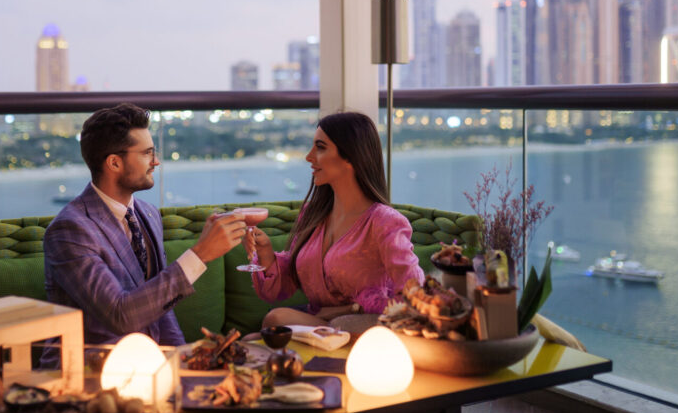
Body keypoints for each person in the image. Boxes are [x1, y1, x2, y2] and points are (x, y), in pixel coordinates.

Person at [44, 103, 247, 346]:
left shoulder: (148, 214)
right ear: (114, 163)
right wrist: (200, 254)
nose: (156, 162)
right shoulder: (70, 231)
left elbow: (160, 310)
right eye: (147, 153)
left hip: (150, 365)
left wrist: (180, 360)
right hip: (89, 369)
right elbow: (120, 316)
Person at [246, 110, 425, 328]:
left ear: (351, 155)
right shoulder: (314, 214)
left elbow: (415, 297)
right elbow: (285, 284)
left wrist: (353, 308)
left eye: (320, 147)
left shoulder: (385, 223)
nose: (309, 156)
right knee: (254, 339)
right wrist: (265, 253)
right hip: (320, 326)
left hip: (364, 330)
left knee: (276, 320)